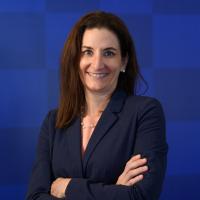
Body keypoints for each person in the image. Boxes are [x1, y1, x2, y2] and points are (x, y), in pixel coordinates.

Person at [26, 11, 168, 200]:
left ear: (123, 61)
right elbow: (35, 197)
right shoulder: (53, 122)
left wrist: (68, 187)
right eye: (88, 52)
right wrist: (115, 191)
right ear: (77, 59)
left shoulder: (145, 112)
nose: (97, 63)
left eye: (108, 53)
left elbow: (140, 196)